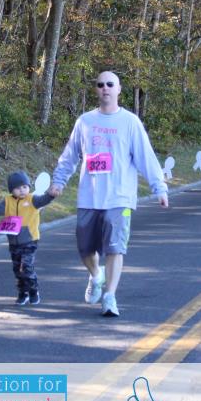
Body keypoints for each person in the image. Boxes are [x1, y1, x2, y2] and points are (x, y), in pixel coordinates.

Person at [49, 71, 169, 317]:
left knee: (115, 248)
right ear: (96, 89)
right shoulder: (85, 121)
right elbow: (70, 156)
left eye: (110, 84)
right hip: (89, 197)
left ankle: (110, 296)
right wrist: (59, 181)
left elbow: (146, 157)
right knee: (85, 249)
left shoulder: (130, 122)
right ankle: (96, 275)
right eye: (100, 84)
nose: (105, 88)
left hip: (119, 197)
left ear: (119, 89)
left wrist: (159, 187)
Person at [0, 171, 55, 305]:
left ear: (29, 187)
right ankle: (23, 292)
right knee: (17, 270)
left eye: (24, 187)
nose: (22, 190)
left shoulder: (32, 199)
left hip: (30, 240)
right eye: (17, 188)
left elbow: (44, 200)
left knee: (26, 267)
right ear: (11, 190)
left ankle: (33, 291)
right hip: (14, 242)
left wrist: (51, 195)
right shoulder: (7, 201)